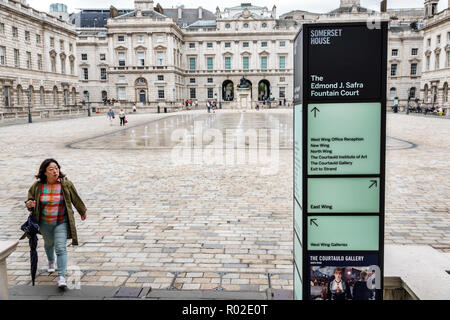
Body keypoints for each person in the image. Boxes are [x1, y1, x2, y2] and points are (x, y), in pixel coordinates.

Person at [25, 159, 86, 289]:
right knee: (48, 244)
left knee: (60, 248)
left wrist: (82, 211)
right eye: (51, 169)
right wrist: (29, 204)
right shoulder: (38, 186)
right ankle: (51, 261)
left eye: (56, 168)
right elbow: (30, 199)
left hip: (61, 222)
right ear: (45, 172)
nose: (55, 171)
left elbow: (75, 197)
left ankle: (62, 277)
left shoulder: (66, 184)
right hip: (44, 222)